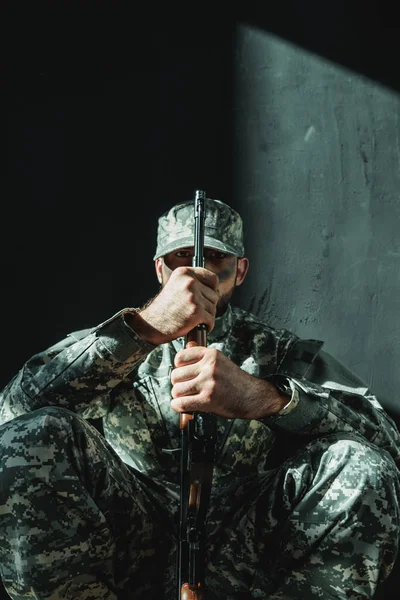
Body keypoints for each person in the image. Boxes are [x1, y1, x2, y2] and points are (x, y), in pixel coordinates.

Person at [0, 197, 399, 600]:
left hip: (244, 538)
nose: (198, 271)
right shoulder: (118, 342)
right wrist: (144, 329)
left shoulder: (278, 349)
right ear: (161, 269)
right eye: (179, 258)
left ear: (239, 270)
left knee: (361, 464)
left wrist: (264, 397)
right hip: (130, 530)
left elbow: (384, 439)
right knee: (35, 435)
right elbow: (13, 414)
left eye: (215, 257)